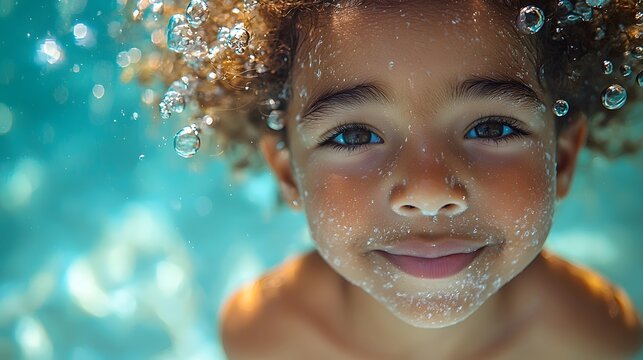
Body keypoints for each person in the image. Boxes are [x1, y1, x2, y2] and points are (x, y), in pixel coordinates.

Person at [130, 0, 643, 358]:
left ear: (564, 159)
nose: (428, 191)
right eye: (353, 136)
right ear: (287, 172)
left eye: (492, 127)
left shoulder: (593, 338)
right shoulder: (266, 337)